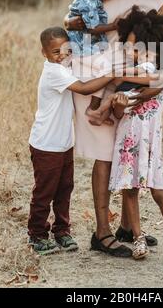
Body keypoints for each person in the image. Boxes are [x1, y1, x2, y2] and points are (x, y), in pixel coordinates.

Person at [65, 0, 163, 260]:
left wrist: (159, 87)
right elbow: (77, 23)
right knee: (106, 155)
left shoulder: (159, 1)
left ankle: (129, 229)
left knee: (128, 156)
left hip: (139, 92)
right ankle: (102, 232)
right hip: (98, 80)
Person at [28, 27, 115, 255]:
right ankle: (37, 235)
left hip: (64, 143)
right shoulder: (54, 72)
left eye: (66, 49)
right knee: (44, 192)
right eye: (55, 51)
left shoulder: (64, 65)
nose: (62, 54)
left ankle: (62, 231)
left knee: (65, 189)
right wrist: (112, 74)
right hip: (46, 144)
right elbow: (85, 88)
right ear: (43, 53)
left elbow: (83, 59)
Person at [108, 6, 163, 260]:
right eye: (128, 48)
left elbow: (155, 78)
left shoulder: (159, 72)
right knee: (129, 191)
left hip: (151, 144)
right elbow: (119, 115)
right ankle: (137, 237)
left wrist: (117, 76)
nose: (131, 53)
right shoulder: (130, 80)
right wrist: (117, 102)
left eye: (136, 48)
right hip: (127, 144)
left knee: (158, 191)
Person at [67, 0, 128, 125]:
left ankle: (99, 108)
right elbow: (93, 28)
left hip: (88, 46)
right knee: (108, 70)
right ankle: (94, 109)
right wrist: (114, 25)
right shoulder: (89, 0)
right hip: (83, 48)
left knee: (114, 62)